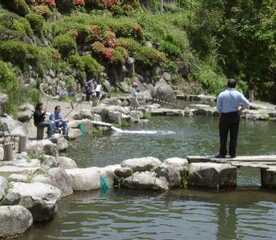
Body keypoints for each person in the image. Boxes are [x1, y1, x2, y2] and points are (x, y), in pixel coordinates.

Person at [216, 78, 250, 158]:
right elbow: (247, 104)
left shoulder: (222, 94)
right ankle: (232, 153)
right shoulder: (238, 94)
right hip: (235, 115)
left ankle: (222, 153)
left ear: (227, 85)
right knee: (234, 136)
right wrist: (240, 109)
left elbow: (218, 108)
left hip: (224, 116)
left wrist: (222, 113)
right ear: (235, 85)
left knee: (223, 136)